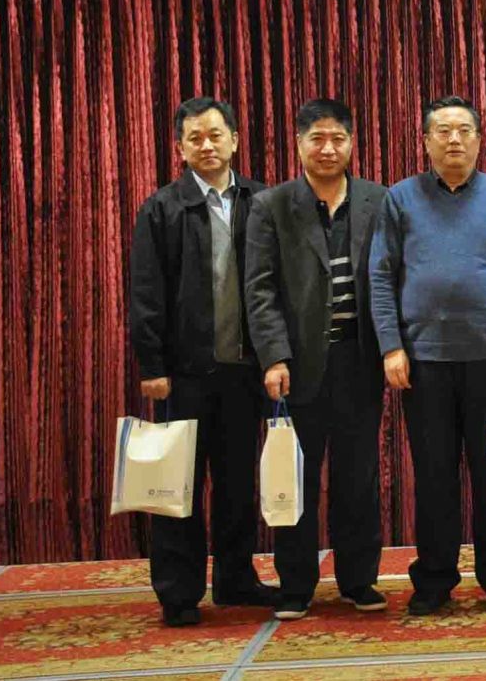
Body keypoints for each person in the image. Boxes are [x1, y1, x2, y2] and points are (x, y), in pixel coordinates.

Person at [369, 96, 486, 617]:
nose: (454, 139)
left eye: (464, 129)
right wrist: (391, 346)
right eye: (442, 131)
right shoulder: (400, 199)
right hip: (423, 363)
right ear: (425, 141)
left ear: (480, 139)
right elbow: (381, 274)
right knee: (434, 476)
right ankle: (434, 580)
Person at [128, 97, 275, 627]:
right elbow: (146, 293)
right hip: (183, 376)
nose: (207, 145)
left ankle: (236, 578)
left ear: (235, 139)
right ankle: (178, 591)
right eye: (195, 138)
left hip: (244, 372)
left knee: (237, 484)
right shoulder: (162, 208)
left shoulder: (262, 201)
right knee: (178, 486)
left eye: (216, 135)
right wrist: (152, 366)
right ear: (180, 148)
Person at [244, 99, 388, 620]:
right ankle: (295, 585)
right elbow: (259, 289)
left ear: (352, 143)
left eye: (337, 139)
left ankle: (359, 580)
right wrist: (273, 357)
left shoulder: (378, 200)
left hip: (360, 361)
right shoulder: (272, 205)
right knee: (295, 478)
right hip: (297, 365)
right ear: (299, 143)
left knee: (358, 478)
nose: (328, 149)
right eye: (317, 139)